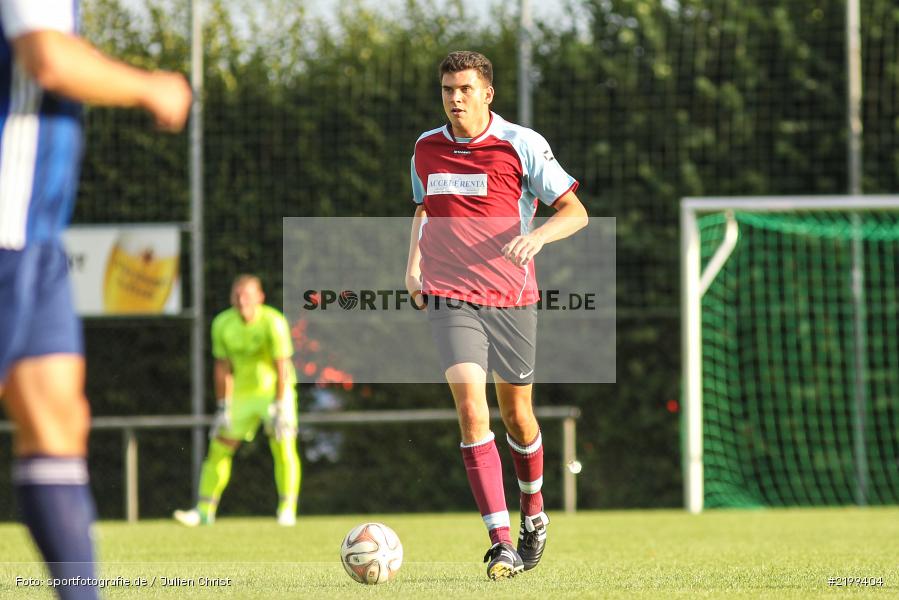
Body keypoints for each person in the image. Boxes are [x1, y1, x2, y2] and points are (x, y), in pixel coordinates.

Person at [0, 2, 192, 599]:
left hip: (35, 239)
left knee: (59, 420)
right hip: (5, 234)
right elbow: (49, 59)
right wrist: (150, 86)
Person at [405, 51, 588, 580]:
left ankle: (534, 512)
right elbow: (423, 207)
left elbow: (575, 212)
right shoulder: (424, 148)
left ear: (487, 93)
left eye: (465, 89)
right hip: (450, 295)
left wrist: (538, 237)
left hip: (511, 298)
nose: (455, 98)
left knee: (517, 416)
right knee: (471, 409)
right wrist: (412, 267)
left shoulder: (521, 144)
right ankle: (501, 542)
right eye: (447, 89)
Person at [174, 274, 301, 527]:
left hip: (274, 392)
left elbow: (282, 366)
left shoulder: (274, 321)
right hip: (242, 396)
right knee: (219, 449)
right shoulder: (222, 323)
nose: (242, 300)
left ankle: (287, 509)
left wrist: (279, 405)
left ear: (260, 297)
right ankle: (204, 511)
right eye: (238, 295)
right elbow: (222, 367)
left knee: (283, 447)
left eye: (247, 295)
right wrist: (223, 405)